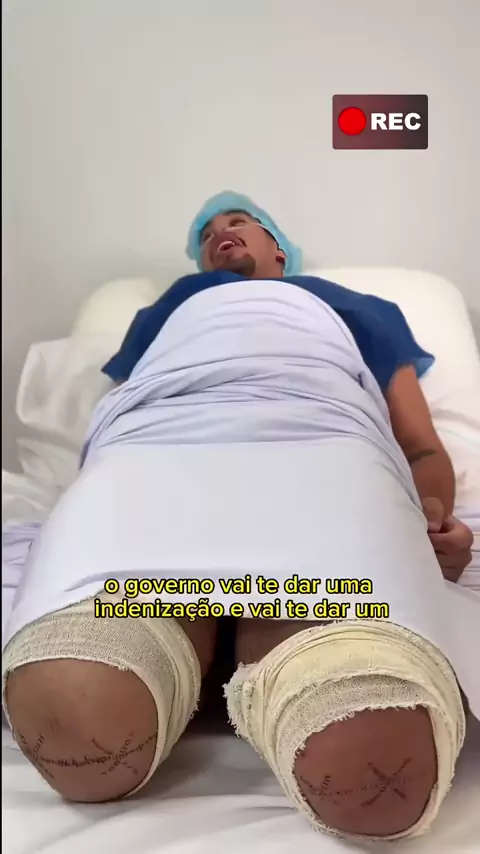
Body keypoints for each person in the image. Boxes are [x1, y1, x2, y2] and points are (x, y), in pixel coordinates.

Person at [2, 191, 477, 843]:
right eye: (206, 235)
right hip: (158, 449)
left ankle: (284, 646)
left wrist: (430, 518)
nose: (218, 234)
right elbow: (128, 404)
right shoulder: (171, 310)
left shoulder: (356, 308)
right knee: (79, 709)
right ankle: (164, 638)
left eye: (237, 223)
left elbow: (420, 444)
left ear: (278, 248)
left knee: (363, 718)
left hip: (318, 441)